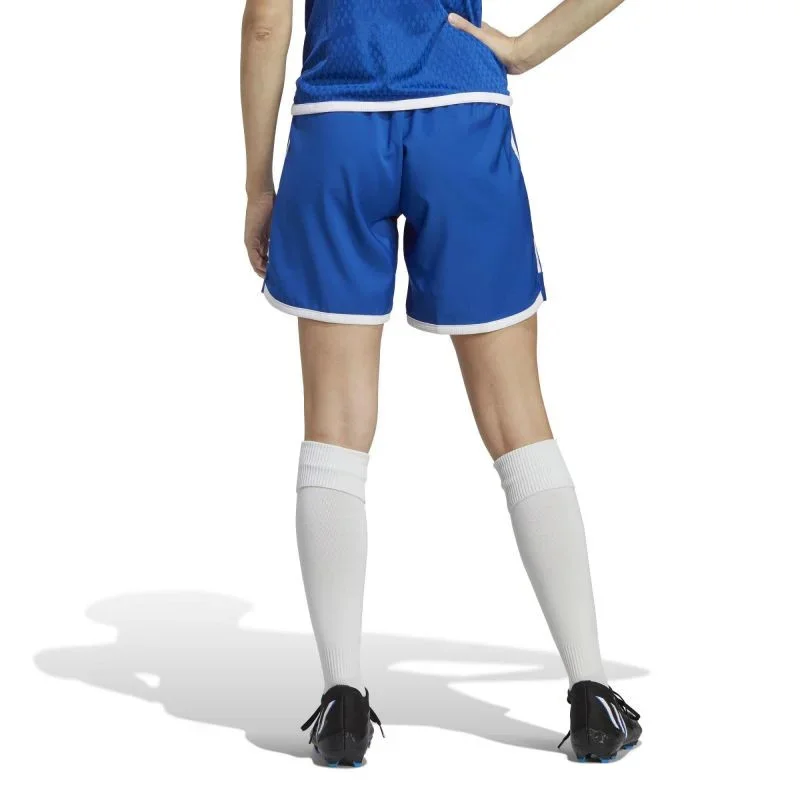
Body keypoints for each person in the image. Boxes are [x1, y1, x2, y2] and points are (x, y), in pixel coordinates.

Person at [241, 0, 641, 767]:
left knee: (335, 425)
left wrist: (259, 183)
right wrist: (525, 48)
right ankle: (591, 693)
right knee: (518, 417)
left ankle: (342, 703)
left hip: (336, 126)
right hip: (462, 114)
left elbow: (266, 22)